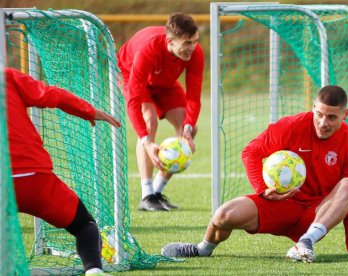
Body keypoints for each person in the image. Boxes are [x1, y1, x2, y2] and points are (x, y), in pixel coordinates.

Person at [161, 85, 348, 262]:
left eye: (331, 117)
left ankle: (306, 242)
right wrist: (263, 190)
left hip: (316, 214)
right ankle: (202, 249)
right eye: (319, 114)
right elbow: (251, 152)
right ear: (313, 106)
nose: (323, 123)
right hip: (279, 204)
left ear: (345, 114)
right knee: (223, 215)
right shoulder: (291, 126)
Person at [5, 67, 121, 275]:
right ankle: (94, 270)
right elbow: (54, 95)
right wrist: (88, 111)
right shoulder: (7, 76)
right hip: (35, 179)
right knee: (85, 225)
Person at [117, 12, 204, 211]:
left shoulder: (195, 53)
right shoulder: (148, 50)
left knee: (187, 128)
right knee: (150, 123)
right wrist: (146, 142)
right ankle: (147, 194)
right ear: (170, 41)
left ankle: (156, 192)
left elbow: (193, 96)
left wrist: (188, 130)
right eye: (187, 43)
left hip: (163, 82)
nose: (192, 47)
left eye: (195, 41)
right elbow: (133, 101)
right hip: (130, 73)